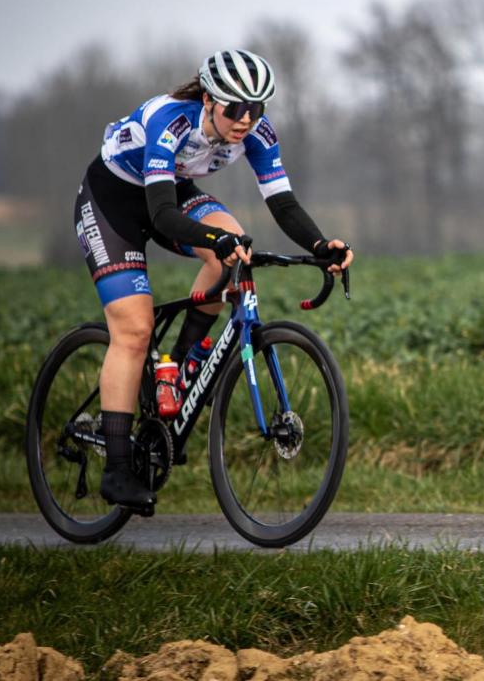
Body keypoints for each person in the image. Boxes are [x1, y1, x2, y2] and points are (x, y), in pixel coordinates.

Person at [74, 49, 353, 509]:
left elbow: (282, 204)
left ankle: (182, 369)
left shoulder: (257, 132)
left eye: (256, 108)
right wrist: (214, 239)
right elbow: (162, 216)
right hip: (113, 203)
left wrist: (321, 246)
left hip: (171, 192)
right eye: (235, 108)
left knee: (234, 248)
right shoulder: (170, 121)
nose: (245, 119)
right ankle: (118, 468)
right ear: (208, 100)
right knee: (135, 330)